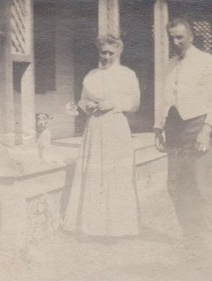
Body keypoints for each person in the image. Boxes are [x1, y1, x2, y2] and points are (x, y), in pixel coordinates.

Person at [154, 18, 212, 278]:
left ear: (191, 36)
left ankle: (206, 245)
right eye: (171, 38)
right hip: (173, 129)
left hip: (197, 127)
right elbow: (164, 97)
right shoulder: (169, 65)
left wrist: (207, 130)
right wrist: (158, 126)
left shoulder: (207, 62)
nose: (175, 43)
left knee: (200, 186)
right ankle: (190, 238)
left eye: (180, 38)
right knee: (175, 185)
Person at [62, 35, 141, 238]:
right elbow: (82, 99)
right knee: (95, 171)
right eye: (103, 52)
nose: (106, 57)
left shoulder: (127, 74)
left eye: (110, 53)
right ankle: (92, 227)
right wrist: (86, 105)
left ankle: (118, 227)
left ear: (118, 53)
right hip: (95, 126)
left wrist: (115, 104)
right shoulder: (91, 75)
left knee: (115, 173)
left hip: (115, 127)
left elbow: (134, 103)